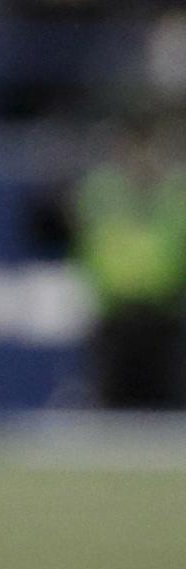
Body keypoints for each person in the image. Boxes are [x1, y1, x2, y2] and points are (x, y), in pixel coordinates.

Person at [67, 114, 186, 409]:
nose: (143, 156)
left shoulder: (178, 193)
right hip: (114, 321)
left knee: (168, 421)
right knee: (113, 419)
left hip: (166, 320)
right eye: (136, 146)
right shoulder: (98, 192)